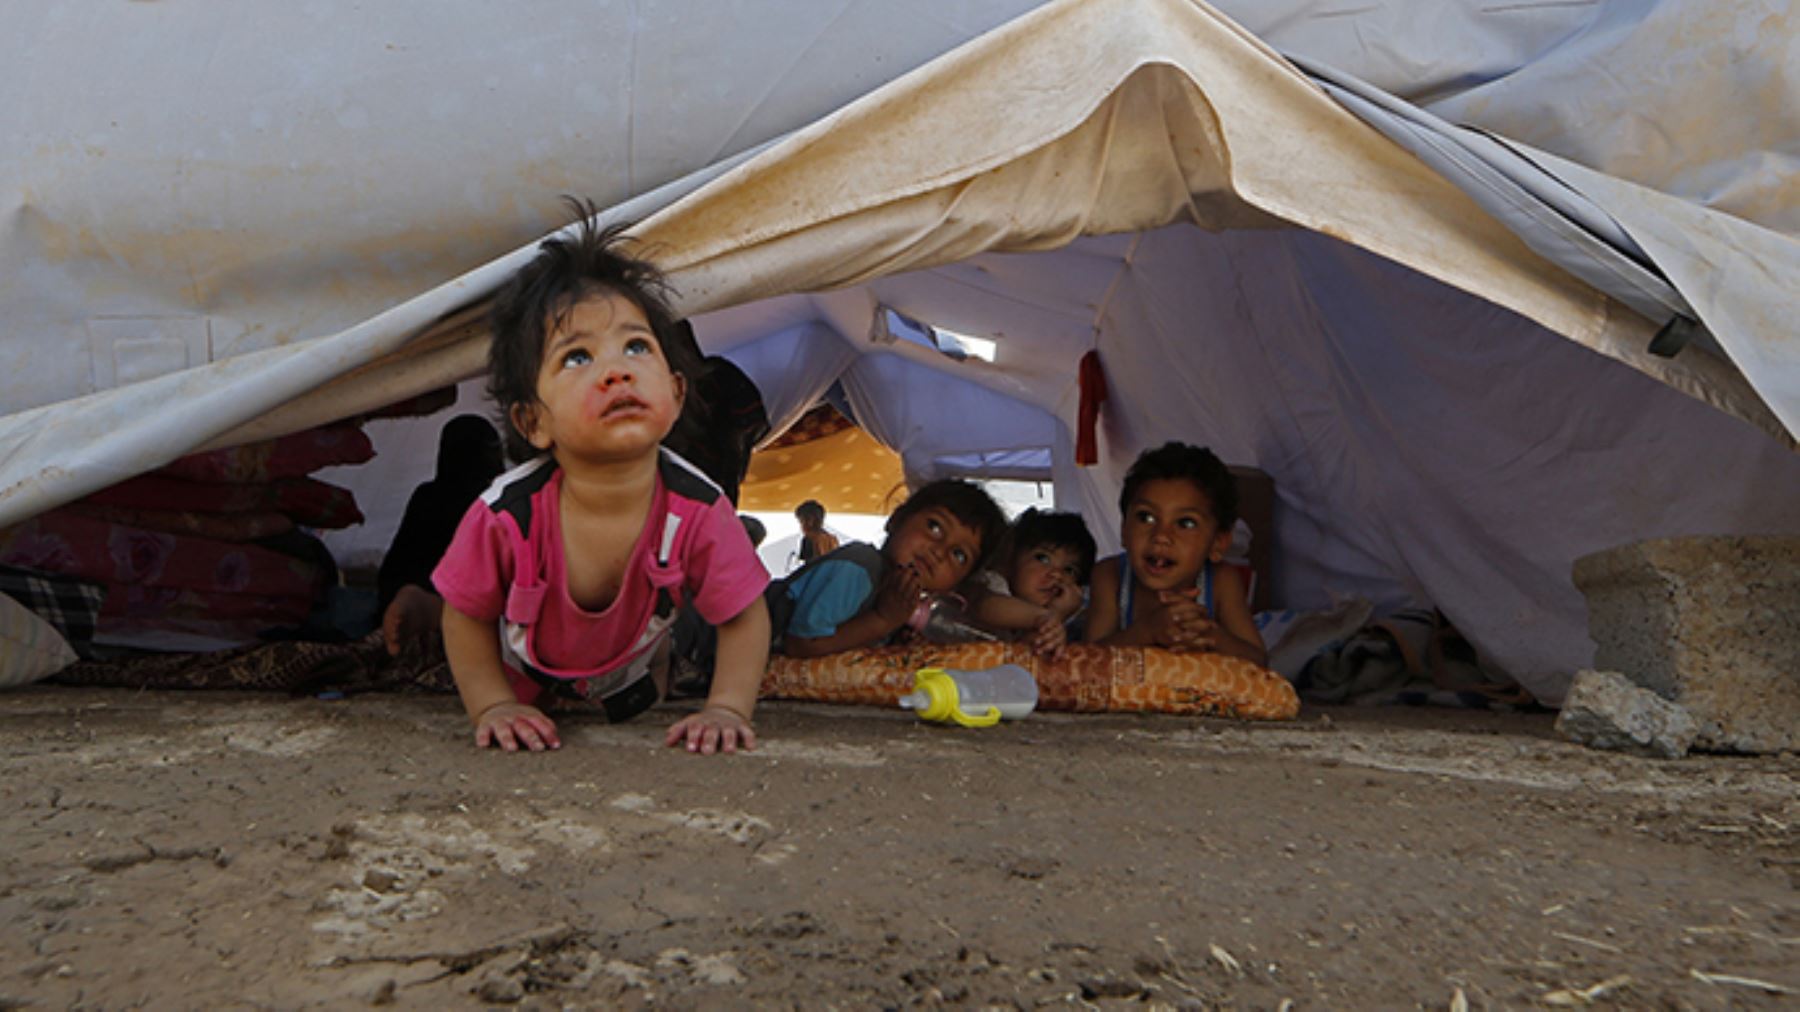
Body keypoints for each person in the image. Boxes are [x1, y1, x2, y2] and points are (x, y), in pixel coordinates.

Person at [432, 201, 771, 755]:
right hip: (525, 675)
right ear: (533, 422)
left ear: (676, 393)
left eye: (637, 346)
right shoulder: (506, 515)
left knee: (661, 667)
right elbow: (466, 613)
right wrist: (492, 704)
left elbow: (743, 615)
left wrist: (727, 708)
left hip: (638, 681)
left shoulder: (699, 509)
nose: (617, 370)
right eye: (576, 358)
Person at [767, 479, 1007, 657]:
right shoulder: (859, 567)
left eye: (959, 555)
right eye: (934, 527)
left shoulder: (903, 601)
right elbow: (801, 644)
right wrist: (884, 620)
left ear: (958, 583)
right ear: (896, 520)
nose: (939, 551)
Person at [1083, 442, 1266, 665]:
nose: (1161, 536)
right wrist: (1147, 631)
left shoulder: (1221, 581)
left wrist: (1210, 635)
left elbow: (1259, 661)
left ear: (1217, 543)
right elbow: (1088, 661)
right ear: (1124, 530)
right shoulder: (1109, 576)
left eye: (1185, 523)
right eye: (1146, 517)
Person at [377, 414, 506, 655]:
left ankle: (423, 607)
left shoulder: (427, 495)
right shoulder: (489, 503)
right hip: (459, 597)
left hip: (409, 587)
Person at [960, 508, 1096, 656]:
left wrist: (1055, 617)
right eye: (1042, 558)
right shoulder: (992, 584)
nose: (1057, 574)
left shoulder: (1062, 621)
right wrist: (1045, 618)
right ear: (1011, 556)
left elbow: (1027, 654)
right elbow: (983, 606)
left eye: (1069, 570)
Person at [793, 499, 839, 565]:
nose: (801, 527)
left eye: (801, 521)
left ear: (809, 521)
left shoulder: (809, 539)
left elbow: (808, 567)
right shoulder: (833, 539)